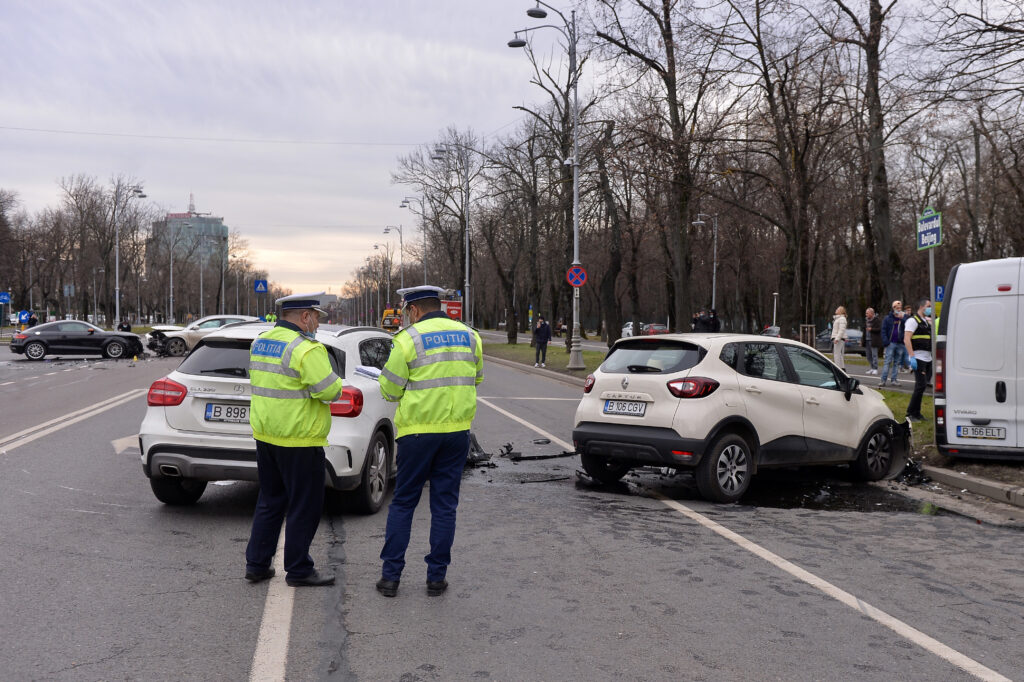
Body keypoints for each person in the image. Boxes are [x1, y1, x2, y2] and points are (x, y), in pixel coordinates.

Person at [376, 285, 484, 598]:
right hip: (456, 433)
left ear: (414, 310)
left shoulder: (408, 338)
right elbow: (477, 377)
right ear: (439, 306)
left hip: (418, 434)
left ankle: (390, 578)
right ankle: (436, 578)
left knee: (404, 503)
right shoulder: (469, 336)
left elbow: (390, 389)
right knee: (445, 506)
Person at [244, 292, 343, 587]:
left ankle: (257, 564)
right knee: (305, 505)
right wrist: (337, 382)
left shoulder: (261, 341)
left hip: (266, 435)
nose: (316, 324)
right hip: (299, 439)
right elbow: (328, 391)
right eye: (315, 317)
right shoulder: (307, 349)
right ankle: (299, 569)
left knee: (270, 501)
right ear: (304, 317)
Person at [904, 298, 933, 422]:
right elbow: (907, 339)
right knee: (920, 385)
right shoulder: (912, 321)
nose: (930, 308)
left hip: (928, 358)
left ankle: (917, 413)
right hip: (918, 357)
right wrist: (912, 357)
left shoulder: (925, 321)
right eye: (928, 306)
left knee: (922, 386)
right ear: (922, 307)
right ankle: (911, 413)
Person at [879, 299, 906, 387]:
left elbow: (907, 327)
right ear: (893, 308)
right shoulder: (888, 318)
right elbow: (883, 330)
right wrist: (886, 341)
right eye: (897, 308)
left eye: (900, 307)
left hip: (900, 343)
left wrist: (903, 319)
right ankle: (883, 380)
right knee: (887, 362)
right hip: (891, 343)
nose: (899, 309)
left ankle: (894, 380)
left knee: (897, 362)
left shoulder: (903, 318)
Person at [864, 308, 882, 374]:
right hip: (867, 339)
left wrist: (871, 329)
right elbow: (864, 330)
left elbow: (879, 329)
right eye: (866, 313)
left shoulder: (877, 320)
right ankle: (872, 367)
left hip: (874, 340)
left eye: (867, 313)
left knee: (874, 355)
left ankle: (875, 368)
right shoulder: (866, 320)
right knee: (868, 355)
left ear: (872, 313)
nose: (866, 314)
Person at [830, 306, 848, 370]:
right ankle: (842, 369)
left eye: (837, 309)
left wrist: (837, 338)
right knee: (839, 355)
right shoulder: (839, 319)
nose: (836, 309)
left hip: (839, 339)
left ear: (840, 311)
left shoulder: (842, 319)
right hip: (838, 338)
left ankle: (838, 369)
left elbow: (841, 330)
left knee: (837, 354)